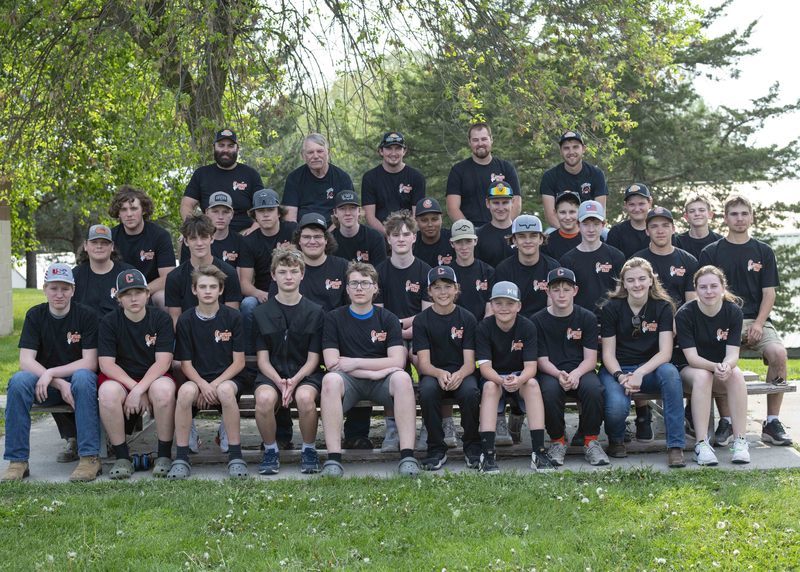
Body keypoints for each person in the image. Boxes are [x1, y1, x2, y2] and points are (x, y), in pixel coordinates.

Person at [699, 195, 792, 446]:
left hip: (756, 320)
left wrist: (759, 324)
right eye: (734, 214)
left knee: (779, 354)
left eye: (744, 214)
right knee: (721, 363)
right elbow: (708, 294)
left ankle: (772, 422)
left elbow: (769, 293)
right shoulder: (711, 252)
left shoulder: (763, 251)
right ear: (725, 218)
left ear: (751, 217)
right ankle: (727, 421)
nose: (739, 219)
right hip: (723, 320)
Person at [319, 262, 421, 478]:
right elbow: (332, 363)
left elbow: (398, 360)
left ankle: (407, 456)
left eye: (365, 283)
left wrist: (356, 363)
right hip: (350, 381)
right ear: (347, 289)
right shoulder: (334, 318)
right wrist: (373, 372)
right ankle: (333, 459)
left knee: (403, 379)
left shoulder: (388, 318)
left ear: (375, 288)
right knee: (330, 381)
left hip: (380, 381)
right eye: (354, 283)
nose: (359, 288)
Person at [2, 264, 101, 482]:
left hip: (75, 382)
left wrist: (51, 373)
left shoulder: (86, 315)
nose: (59, 294)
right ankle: (17, 461)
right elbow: (25, 361)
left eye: (65, 289)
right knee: (18, 382)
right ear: (45, 289)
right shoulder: (35, 315)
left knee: (84, 378)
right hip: (44, 385)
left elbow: (90, 362)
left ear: (73, 290)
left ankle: (89, 458)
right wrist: (56, 381)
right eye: (54, 288)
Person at [598, 258, 686, 467]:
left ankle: (675, 446)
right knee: (616, 408)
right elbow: (608, 354)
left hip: (651, 369)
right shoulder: (611, 308)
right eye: (631, 280)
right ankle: (616, 440)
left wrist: (640, 373)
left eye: (641, 279)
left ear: (651, 281)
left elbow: (665, 352)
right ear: (624, 283)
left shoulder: (663, 307)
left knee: (671, 374)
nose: (636, 284)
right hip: (617, 369)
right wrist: (621, 376)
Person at [168, 265, 248, 479]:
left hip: (228, 378)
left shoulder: (234, 317)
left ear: (221, 290)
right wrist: (203, 385)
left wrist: (213, 386)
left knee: (225, 392)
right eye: (202, 287)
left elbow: (239, 362)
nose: (208, 291)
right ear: (194, 290)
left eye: (213, 287)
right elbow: (185, 364)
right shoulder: (186, 319)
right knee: (185, 392)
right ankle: (182, 457)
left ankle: (235, 455)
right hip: (197, 379)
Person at [252, 247, 326, 475]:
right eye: (282, 272)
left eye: (294, 271)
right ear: (273, 275)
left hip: (305, 373)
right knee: (264, 399)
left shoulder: (315, 311)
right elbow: (262, 359)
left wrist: (294, 381)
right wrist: (279, 381)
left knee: (305, 398)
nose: (288, 277)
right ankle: (271, 450)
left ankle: (309, 450)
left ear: (302, 274)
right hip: (271, 373)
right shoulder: (261, 312)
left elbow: (313, 359)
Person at [98, 269, 176, 479]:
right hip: (122, 378)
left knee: (164, 391)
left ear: (148, 294)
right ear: (118, 298)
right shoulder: (109, 321)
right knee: (107, 393)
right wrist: (135, 390)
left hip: (154, 376)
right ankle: (122, 457)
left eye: (138, 292)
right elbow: (106, 364)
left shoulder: (161, 318)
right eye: (127, 294)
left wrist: (141, 389)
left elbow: (163, 361)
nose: (133, 298)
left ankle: (164, 455)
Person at [475, 281, 556, 473]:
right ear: (491, 305)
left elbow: (531, 367)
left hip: (520, 377)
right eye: (498, 303)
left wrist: (518, 380)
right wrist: (501, 380)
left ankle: (539, 452)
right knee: (489, 387)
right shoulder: (484, 327)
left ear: (518, 306)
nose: (504, 308)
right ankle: (487, 454)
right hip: (494, 377)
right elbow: (485, 368)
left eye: (510, 303)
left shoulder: (527, 326)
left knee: (533, 384)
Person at [533, 268, 609, 467]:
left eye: (566, 289)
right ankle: (557, 441)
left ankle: (591, 441)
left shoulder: (587, 318)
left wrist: (576, 373)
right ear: (547, 291)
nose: (561, 294)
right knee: (549, 392)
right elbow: (541, 359)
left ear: (575, 291)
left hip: (581, 369)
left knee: (594, 389)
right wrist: (559, 374)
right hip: (551, 371)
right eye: (556, 290)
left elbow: (591, 359)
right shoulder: (537, 320)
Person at [676, 266, 750, 465]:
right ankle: (701, 444)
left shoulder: (733, 312)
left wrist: (726, 366)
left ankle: (740, 441)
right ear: (696, 290)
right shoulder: (685, 314)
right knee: (703, 376)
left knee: (736, 374)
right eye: (703, 287)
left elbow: (733, 354)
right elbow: (692, 358)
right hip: (689, 370)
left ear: (723, 287)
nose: (709, 291)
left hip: (718, 370)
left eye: (714, 286)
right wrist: (716, 366)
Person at [375, 211, 432, 451]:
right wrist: (397, 332)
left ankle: (430, 425)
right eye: (396, 234)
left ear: (414, 238)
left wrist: (402, 329)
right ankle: (393, 429)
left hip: (418, 333)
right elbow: (378, 314)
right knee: (393, 368)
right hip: (387, 336)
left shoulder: (425, 271)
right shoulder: (379, 271)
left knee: (423, 363)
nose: (401, 239)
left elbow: (427, 315)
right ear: (388, 238)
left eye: (406, 234)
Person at [414, 266, 481, 470]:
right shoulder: (421, 320)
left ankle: (472, 446)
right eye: (437, 287)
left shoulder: (467, 318)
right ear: (429, 291)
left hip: (462, 371)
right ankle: (436, 448)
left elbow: (470, 362)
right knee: (427, 391)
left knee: (470, 392)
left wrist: (459, 375)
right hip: (434, 372)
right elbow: (423, 364)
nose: (443, 292)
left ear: (456, 289)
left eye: (447, 286)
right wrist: (439, 373)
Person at [238, 189, 298, 350]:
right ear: (254, 216)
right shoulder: (248, 241)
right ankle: (250, 354)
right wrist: (260, 294)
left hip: (294, 290)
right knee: (248, 304)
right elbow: (244, 283)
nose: (265, 215)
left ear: (279, 212)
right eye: (260, 211)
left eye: (270, 209)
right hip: (263, 294)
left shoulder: (293, 231)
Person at [181, 128, 265, 233]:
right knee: (184, 239)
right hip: (210, 234)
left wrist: (254, 228)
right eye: (221, 145)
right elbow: (186, 205)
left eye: (230, 146)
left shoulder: (251, 174)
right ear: (214, 147)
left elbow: (263, 205)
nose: (225, 150)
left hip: (244, 234)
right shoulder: (201, 174)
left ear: (237, 149)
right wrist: (192, 227)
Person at [165, 214, 242, 327]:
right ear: (186, 241)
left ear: (212, 238)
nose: (199, 243)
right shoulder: (174, 277)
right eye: (193, 238)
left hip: (221, 333)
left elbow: (232, 318)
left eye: (204, 237)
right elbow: (176, 320)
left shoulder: (229, 273)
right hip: (187, 334)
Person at [109, 185, 176, 308]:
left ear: (143, 210)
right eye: (124, 209)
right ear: (118, 213)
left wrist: (141, 293)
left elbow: (168, 277)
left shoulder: (160, 236)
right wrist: (124, 295)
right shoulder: (110, 237)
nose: (129, 214)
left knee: (163, 297)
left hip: (150, 291)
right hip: (118, 293)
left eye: (134, 208)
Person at [446, 122, 521, 226]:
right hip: (470, 231)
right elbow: (452, 208)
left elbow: (516, 204)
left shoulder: (506, 168)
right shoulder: (458, 170)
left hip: (502, 229)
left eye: (484, 139)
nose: (480, 143)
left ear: (491, 140)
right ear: (469, 142)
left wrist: (503, 227)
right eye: (475, 140)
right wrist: (469, 230)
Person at [559, 201, 625, 317]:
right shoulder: (567, 260)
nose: (591, 229)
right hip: (580, 320)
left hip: (610, 319)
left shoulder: (616, 256)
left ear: (603, 225)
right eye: (586, 224)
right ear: (578, 225)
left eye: (596, 224)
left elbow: (621, 292)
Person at [492, 214, 559, 320]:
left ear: (541, 239)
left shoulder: (553, 268)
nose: (528, 241)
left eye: (533, 236)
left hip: (544, 323)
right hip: (514, 324)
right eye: (522, 236)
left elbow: (555, 307)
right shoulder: (503, 269)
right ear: (514, 240)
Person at [280, 213, 350, 312]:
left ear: (326, 240)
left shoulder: (343, 267)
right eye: (306, 237)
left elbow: (352, 306)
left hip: (334, 321)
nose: (312, 242)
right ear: (299, 240)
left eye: (317, 236)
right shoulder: (287, 268)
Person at [539, 130, 608, 229]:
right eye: (566, 148)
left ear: (583, 149)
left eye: (575, 147)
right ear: (560, 151)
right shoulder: (549, 176)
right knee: (548, 234)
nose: (571, 152)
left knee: (607, 234)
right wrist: (569, 233)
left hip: (590, 228)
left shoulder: (597, 174)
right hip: (561, 228)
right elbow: (551, 216)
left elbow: (600, 212)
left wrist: (585, 232)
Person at [361, 131, 426, 235]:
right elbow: (369, 217)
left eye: (398, 148)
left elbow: (417, 215)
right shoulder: (370, 178)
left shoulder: (416, 177)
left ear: (404, 151)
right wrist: (389, 235)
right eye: (389, 148)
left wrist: (403, 235)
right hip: (379, 235)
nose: (393, 153)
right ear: (381, 151)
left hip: (408, 235)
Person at [282, 133, 354, 224]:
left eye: (320, 151)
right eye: (310, 152)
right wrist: (304, 233)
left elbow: (347, 215)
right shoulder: (294, 178)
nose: (315, 156)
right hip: (302, 230)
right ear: (303, 155)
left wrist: (328, 233)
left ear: (328, 152)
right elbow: (290, 219)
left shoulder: (342, 178)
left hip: (334, 230)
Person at [634, 207, 698, 307]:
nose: (660, 231)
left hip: (679, 316)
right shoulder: (636, 262)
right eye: (654, 226)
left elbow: (691, 304)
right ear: (647, 231)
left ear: (673, 229)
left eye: (665, 225)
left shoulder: (689, 261)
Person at [73, 224, 134, 318]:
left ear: (112, 246)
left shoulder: (128, 273)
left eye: (104, 243)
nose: (99, 246)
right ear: (85, 246)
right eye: (94, 242)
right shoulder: (75, 275)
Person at [179, 192, 244, 267]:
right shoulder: (194, 241)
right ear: (207, 212)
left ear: (232, 214)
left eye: (225, 212)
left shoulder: (240, 242)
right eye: (215, 211)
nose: (220, 217)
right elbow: (185, 271)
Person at [449, 219, 494, 321]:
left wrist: (481, 328)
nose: (464, 247)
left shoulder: (488, 272)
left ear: (476, 241)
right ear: (452, 243)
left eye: (468, 241)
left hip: (482, 327)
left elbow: (490, 309)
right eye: (458, 242)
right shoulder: (447, 273)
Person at [331, 190, 387, 266]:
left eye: (352, 208)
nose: (348, 213)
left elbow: (380, 270)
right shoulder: (329, 240)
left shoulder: (375, 238)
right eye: (342, 208)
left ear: (359, 211)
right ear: (335, 212)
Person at [606, 183, 653, 259]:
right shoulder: (616, 233)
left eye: (641, 204)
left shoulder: (660, 231)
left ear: (650, 203)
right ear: (625, 205)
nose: (637, 209)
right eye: (632, 204)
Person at [475, 181, 515, 267]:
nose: (500, 208)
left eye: (505, 202)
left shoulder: (521, 234)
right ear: (487, 203)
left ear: (512, 202)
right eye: (496, 203)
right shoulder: (478, 236)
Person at [675, 194, 722, 260]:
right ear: (686, 217)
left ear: (710, 214)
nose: (697, 214)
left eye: (701, 210)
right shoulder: (677, 243)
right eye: (692, 211)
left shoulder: (720, 242)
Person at [413, 198, 455, 268]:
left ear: (441, 219)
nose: (430, 224)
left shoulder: (453, 239)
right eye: (424, 220)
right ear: (416, 221)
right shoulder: (411, 243)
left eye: (434, 219)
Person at [542, 191, 582, 261]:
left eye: (572, 212)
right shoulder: (547, 243)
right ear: (555, 213)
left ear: (580, 212)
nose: (567, 217)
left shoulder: (590, 238)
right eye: (562, 212)